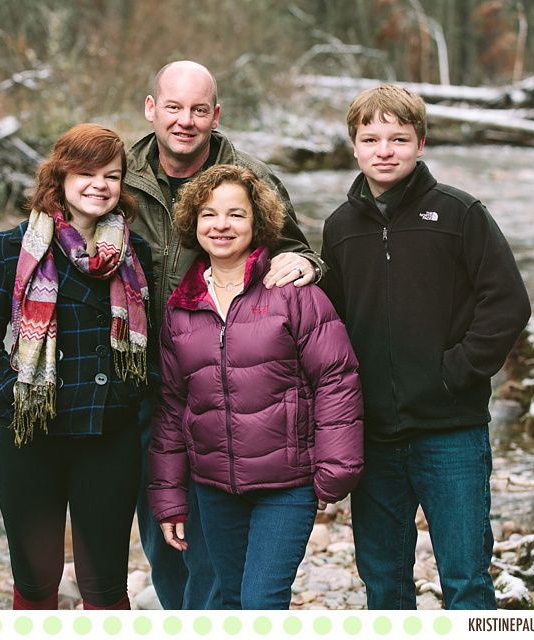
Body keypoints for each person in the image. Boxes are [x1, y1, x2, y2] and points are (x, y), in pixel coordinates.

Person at [319, 84, 532, 610]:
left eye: (399, 137)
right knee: (385, 584)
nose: (384, 150)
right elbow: (331, 324)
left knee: (466, 578)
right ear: (353, 146)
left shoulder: (460, 214)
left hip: (450, 430)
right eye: (371, 138)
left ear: (421, 143)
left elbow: (507, 303)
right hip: (373, 437)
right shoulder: (340, 228)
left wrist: (454, 372)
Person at [125, 59, 325, 610]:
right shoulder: (119, 176)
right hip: (146, 389)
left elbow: (298, 250)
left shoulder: (252, 176)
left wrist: (307, 265)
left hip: (229, 392)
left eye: (197, 110)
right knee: (166, 536)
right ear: (151, 109)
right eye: (173, 107)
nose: (184, 120)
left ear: (215, 115)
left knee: (213, 551)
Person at [147, 164, 364, 610]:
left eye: (235, 215)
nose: (221, 225)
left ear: (258, 222)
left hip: (288, 484)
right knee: (229, 601)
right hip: (214, 488)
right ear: (193, 223)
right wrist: (169, 496)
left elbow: (336, 378)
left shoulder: (293, 291)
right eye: (208, 214)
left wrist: (334, 471)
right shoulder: (181, 308)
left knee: (262, 602)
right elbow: (172, 406)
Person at [0, 123, 153, 610]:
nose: (100, 185)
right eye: (85, 172)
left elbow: (150, 352)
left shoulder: (136, 254)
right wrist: (19, 391)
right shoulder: (11, 247)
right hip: (30, 437)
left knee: (105, 587)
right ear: (60, 177)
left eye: (112, 175)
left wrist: (126, 398)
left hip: (107, 438)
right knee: (35, 582)